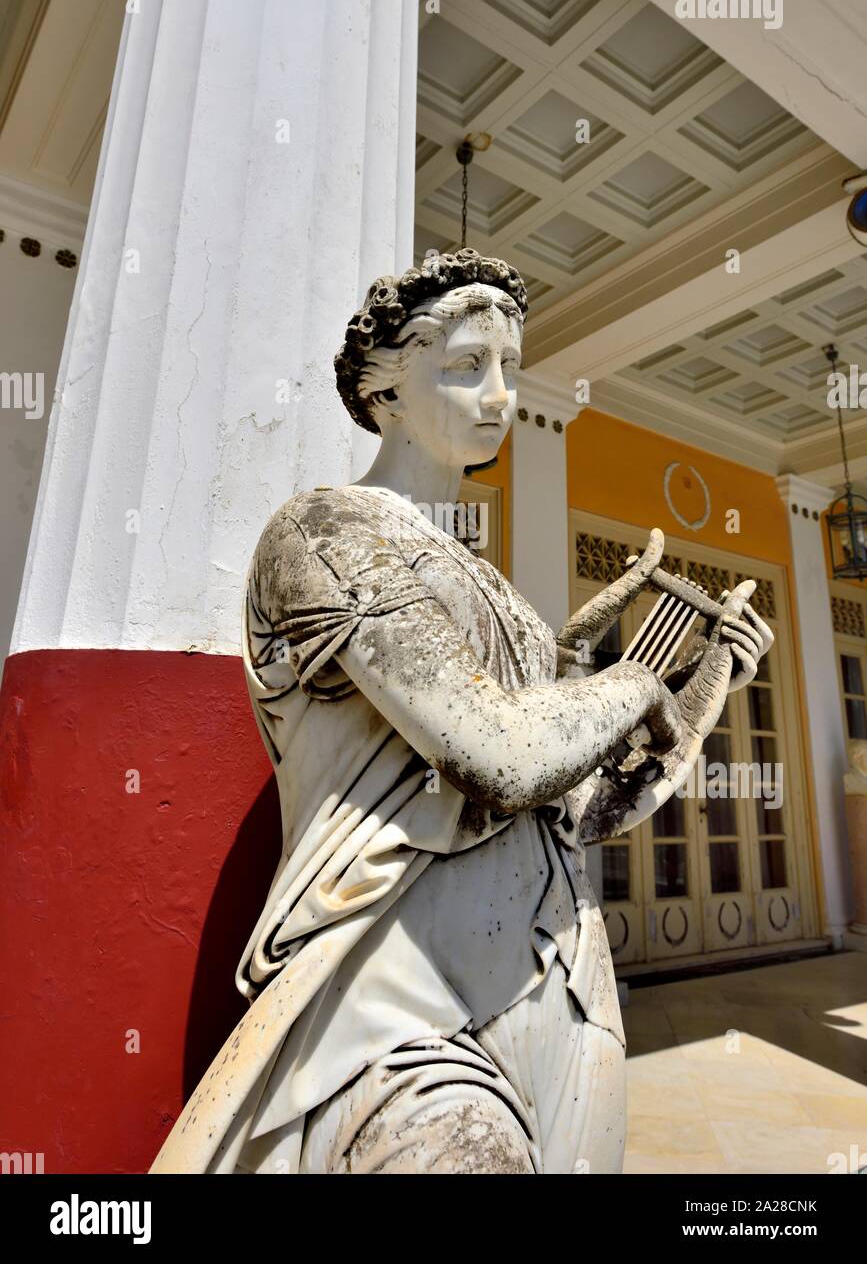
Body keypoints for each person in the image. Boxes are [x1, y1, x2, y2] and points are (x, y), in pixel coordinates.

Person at [151, 248, 771, 1174]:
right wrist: (627, 686)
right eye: (463, 366)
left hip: (558, 989)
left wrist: (704, 681)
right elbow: (500, 757)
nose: (498, 396)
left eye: (509, 369)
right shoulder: (325, 531)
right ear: (385, 391)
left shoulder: (498, 595)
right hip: (395, 990)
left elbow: (573, 808)